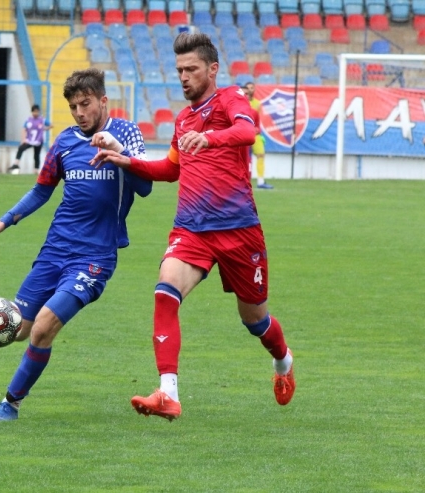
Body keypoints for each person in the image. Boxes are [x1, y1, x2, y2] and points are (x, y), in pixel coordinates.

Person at [91, 33, 295, 421]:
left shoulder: (230, 98)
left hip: (239, 230)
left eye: (192, 69)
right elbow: (169, 169)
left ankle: (284, 362)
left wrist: (211, 137)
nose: (183, 77)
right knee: (165, 292)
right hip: (191, 229)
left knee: (255, 321)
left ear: (212, 69)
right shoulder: (183, 119)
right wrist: (125, 158)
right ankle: (168, 393)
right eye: (179, 70)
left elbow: (248, 132)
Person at [0, 68, 153, 422]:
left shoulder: (126, 132)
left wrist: (118, 152)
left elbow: (146, 185)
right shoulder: (65, 142)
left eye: (85, 104)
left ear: (103, 101)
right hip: (55, 250)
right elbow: (42, 190)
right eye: (73, 106)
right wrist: (4, 221)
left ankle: (9, 403)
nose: (80, 112)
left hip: (95, 257)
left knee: (43, 327)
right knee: (17, 331)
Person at [243, 82, 273, 189]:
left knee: (261, 155)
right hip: (242, 134)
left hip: (255, 134)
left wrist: (257, 130)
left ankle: (260, 181)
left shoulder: (257, 104)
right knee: (244, 159)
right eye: (248, 88)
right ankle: (244, 181)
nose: (250, 90)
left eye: (252, 88)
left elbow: (257, 121)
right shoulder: (240, 103)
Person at [8, 104, 53, 174]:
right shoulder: (28, 120)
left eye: (37, 112)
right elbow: (24, 129)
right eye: (34, 111)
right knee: (21, 148)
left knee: (36, 155)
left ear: (39, 112)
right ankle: (16, 164)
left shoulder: (42, 120)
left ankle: (36, 170)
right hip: (29, 140)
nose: (35, 113)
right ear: (32, 112)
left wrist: (44, 129)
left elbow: (51, 125)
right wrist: (23, 139)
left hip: (38, 140)